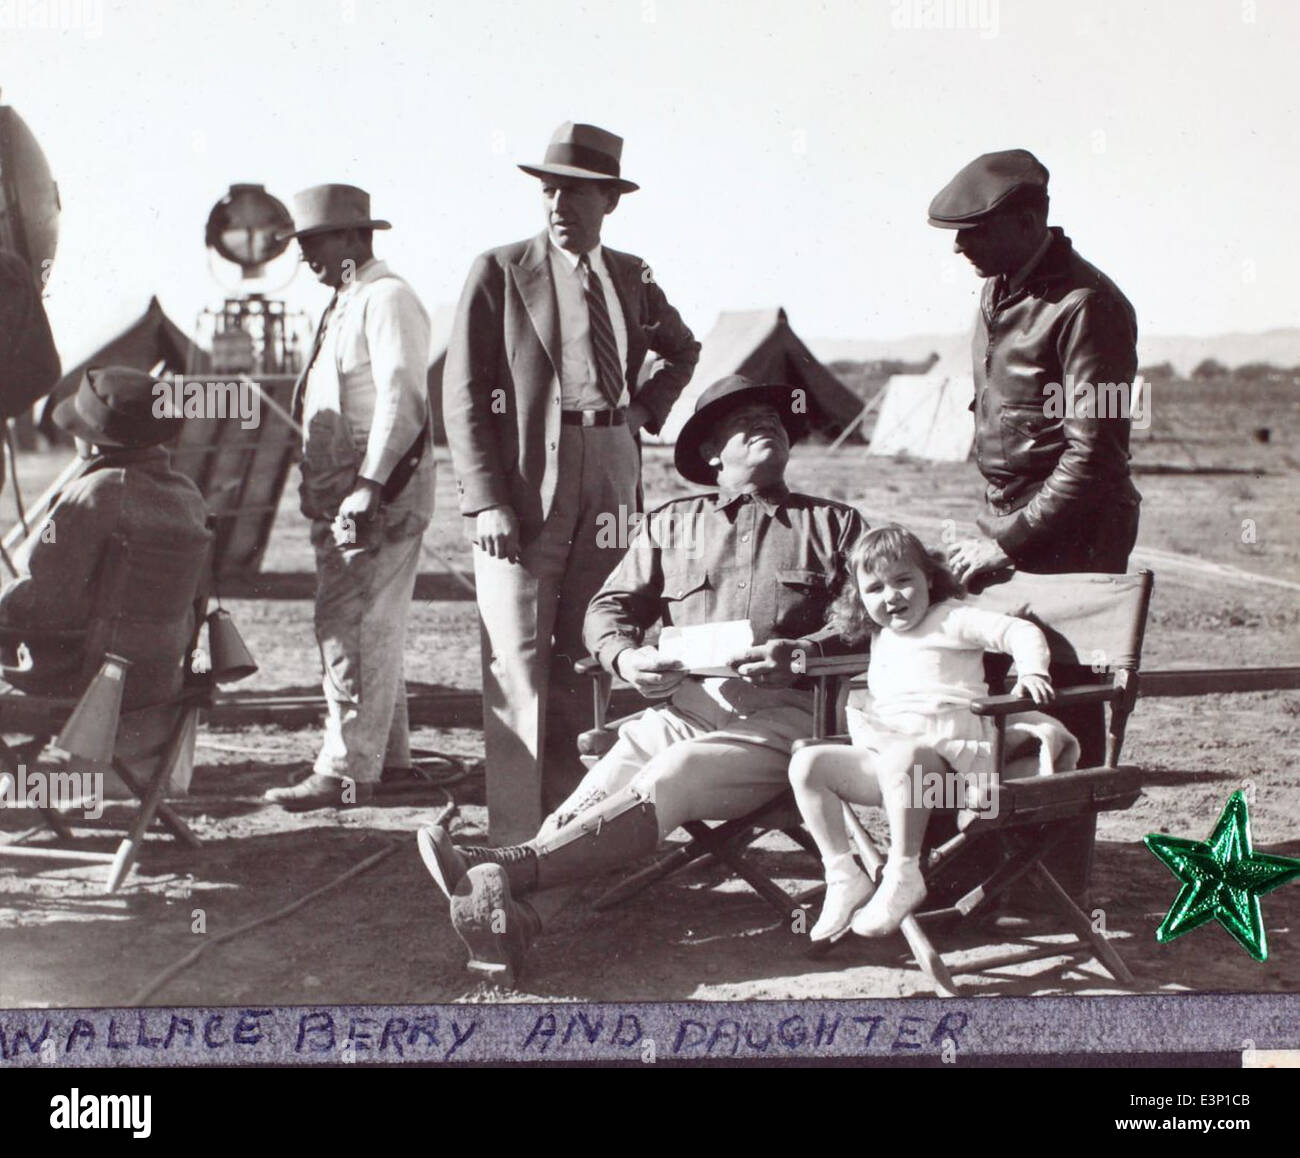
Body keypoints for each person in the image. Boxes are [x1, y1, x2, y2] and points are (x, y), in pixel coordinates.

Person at [418, 374, 869, 982]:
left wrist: (802, 652)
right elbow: (607, 610)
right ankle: (515, 920)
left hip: (791, 720)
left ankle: (502, 866)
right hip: (681, 710)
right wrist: (627, 659)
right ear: (711, 454)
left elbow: (870, 616)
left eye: (773, 416)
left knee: (672, 775)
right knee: (600, 789)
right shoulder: (671, 524)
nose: (766, 422)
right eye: (742, 422)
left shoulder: (835, 525)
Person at [442, 121, 700, 844]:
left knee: (595, 646)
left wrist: (645, 410)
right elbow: (463, 394)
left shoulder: (632, 273)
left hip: (613, 460)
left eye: (576, 192)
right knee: (518, 654)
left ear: (609, 202)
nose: (558, 204)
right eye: (549, 190)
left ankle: (580, 830)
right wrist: (487, 498)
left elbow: (683, 349)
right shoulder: (499, 270)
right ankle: (516, 845)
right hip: (528, 482)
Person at [788, 524, 1079, 942]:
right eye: (875, 589)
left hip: (952, 773)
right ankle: (843, 874)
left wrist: (1032, 670)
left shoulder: (950, 619)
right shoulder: (882, 634)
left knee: (905, 756)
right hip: (896, 770)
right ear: (858, 597)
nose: (891, 596)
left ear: (928, 577)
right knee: (808, 763)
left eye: (903, 580)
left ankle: (903, 870)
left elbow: (1019, 631)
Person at [264, 184, 435, 811]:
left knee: (351, 625)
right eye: (302, 244)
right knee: (367, 623)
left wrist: (368, 486)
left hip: (373, 498)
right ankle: (383, 760)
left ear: (357, 237)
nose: (306, 255)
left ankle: (344, 770)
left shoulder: (385, 300)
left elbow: (401, 399)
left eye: (316, 241)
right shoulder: (347, 302)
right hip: (349, 495)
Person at [927, 149, 1141, 585]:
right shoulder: (998, 290)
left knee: (1049, 656)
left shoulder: (1089, 306)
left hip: (1075, 533)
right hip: (1011, 520)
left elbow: (1095, 454)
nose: (958, 245)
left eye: (975, 230)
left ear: (1026, 223)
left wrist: (1010, 543)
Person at [0, 366, 211, 792]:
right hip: (155, 686)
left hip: (82, 686)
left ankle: (16, 779)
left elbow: (42, 596)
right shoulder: (187, 495)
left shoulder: (93, 494)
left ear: (91, 438)